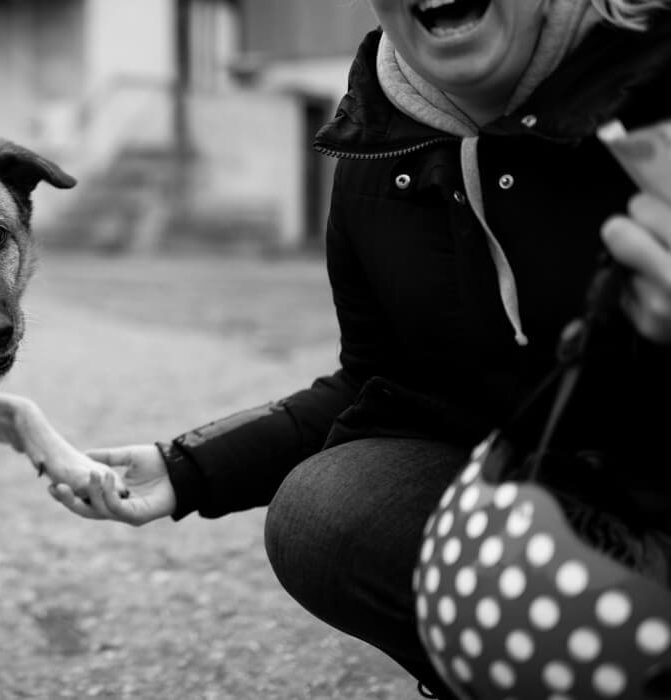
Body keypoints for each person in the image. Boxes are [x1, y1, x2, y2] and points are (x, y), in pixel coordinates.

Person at [47, 1, 671, 698]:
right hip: (562, 512)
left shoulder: (654, 90)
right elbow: (380, 386)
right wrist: (187, 467)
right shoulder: (381, 144)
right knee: (326, 514)